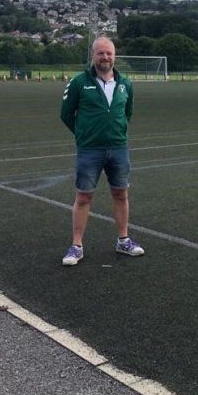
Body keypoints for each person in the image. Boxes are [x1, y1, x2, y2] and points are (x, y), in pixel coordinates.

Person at [59, 36, 144, 266]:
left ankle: (123, 240)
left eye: (109, 53)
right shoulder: (79, 82)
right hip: (90, 150)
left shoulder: (125, 83)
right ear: (92, 55)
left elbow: (128, 112)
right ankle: (76, 246)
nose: (105, 57)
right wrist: (84, 134)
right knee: (84, 196)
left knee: (121, 194)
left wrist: (118, 131)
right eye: (101, 53)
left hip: (118, 148)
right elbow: (66, 113)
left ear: (114, 56)